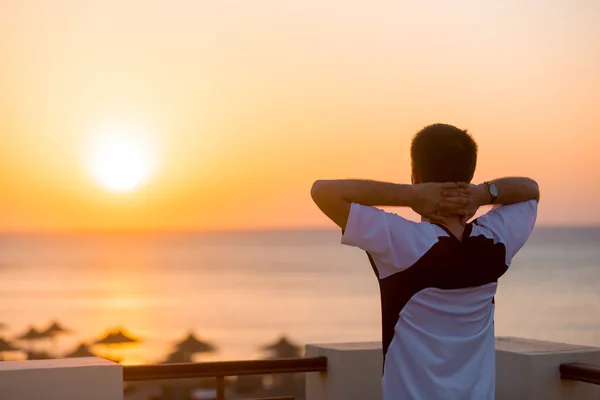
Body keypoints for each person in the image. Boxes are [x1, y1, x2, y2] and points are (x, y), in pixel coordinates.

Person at [310, 123, 539, 400]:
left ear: (415, 176)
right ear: (469, 174)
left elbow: (322, 192)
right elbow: (530, 190)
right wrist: (482, 193)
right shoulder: (495, 242)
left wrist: (409, 196)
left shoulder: (402, 244)